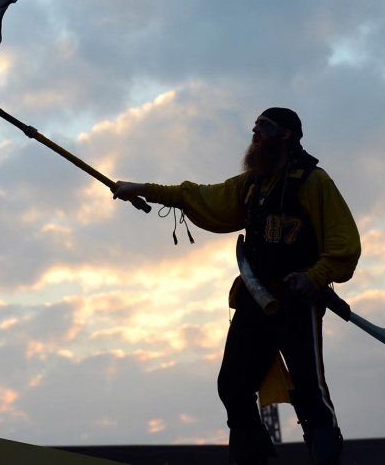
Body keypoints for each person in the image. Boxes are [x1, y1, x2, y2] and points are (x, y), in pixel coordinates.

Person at [113, 108, 361, 465]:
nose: (256, 131)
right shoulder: (251, 185)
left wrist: (315, 276)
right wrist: (142, 189)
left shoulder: (313, 181)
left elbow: (344, 242)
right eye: (256, 125)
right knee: (232, 386)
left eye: (265, 125)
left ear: (287, 134)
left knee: (310, 392)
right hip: (255, 299)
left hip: (294, 302)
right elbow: (198, 195)